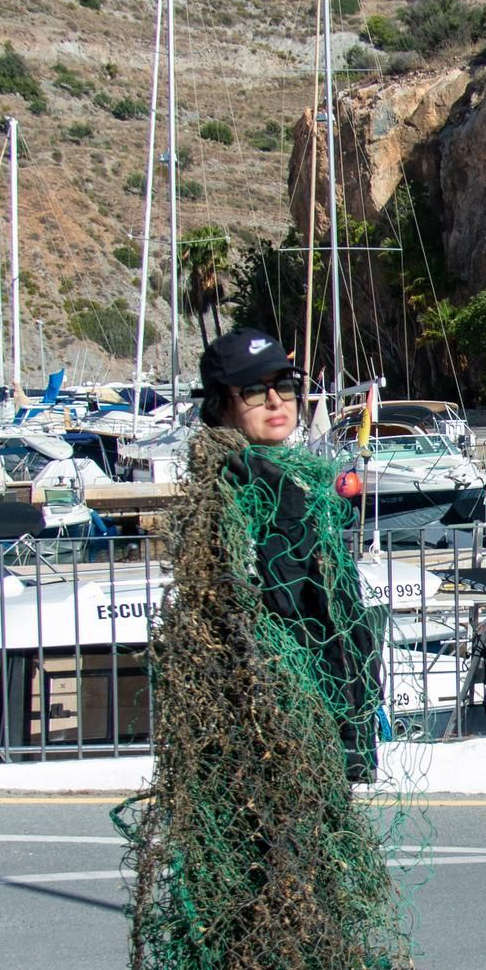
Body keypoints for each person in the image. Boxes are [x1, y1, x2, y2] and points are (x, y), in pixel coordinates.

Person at [196, 325, 380, 781]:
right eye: (255, 391)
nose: (276, 401)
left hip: (326, 722)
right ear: (223, 406)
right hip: (277, 738)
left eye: (284, 385)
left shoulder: (299, 479)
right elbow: (281, 600)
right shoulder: (238, 487)